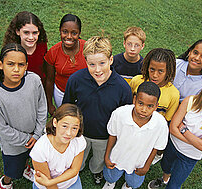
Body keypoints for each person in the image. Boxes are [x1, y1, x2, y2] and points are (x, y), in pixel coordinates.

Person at [63, 36, 133, 184]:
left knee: (99, 158)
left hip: (104, 136)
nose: (98, 69)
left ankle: (96, 171)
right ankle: (77, 168)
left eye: (102, 63)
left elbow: (124, 117)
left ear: (111, 60)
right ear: (86, 62)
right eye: (92, 64)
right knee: (78, 157)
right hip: (79, 133)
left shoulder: (122, 88)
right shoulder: (76, 80)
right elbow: (67, 106)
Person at [148, 74, 202, 189]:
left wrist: (184, 130)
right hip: (172, 145)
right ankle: (164, 178)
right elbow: (173, 129)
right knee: (165, 166)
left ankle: (169, 183)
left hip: (189, 156)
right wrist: (197, 141)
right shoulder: (190, 100)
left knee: (174, 185)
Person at [0, 43, 47, 189]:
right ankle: (6, 183)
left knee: (33, 157)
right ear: (1, 65)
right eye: (10, 64)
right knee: (13, 169)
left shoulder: (34, 80)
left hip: (36, 136)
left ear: (26, 66)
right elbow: (2, 129)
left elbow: (42, 107)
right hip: (13, 145)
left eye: (21, 65)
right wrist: (28, 139)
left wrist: (37, 134)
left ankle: (26, 168)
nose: (16, 69)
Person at [103, 81, 169, 189]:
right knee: (111, 176)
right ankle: (110, 183)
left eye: (150, 106)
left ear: (156, 106)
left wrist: (146, 166)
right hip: (117, 157)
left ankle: (128, 186)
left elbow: (156, 147)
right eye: (141, 103)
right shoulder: (119, 114)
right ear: (134, 99)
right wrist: (107, 156)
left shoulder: (161, 124)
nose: (144, 110)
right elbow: (112, 135)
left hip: (138, 163)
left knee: (134, 182)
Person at [30, 103, 86, 189]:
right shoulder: (40, 149)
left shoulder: (79, 141)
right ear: (55, 122)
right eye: (64, 126)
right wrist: (49, 183)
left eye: (74, 128)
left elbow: (74, 170)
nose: (69, 133)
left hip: (71, 182)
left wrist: (50, 182)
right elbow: (47, 183)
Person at [45, 14, 87, 115]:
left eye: (74, 33)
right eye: (65, 32)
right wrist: (50, 104)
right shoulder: (53, 52)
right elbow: (49, 81)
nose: (69, 37)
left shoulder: (87, 48)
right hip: (62, 93)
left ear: (79, 33)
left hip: (85, 92)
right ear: (60, 31)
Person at [129, 48, 180, 122]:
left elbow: (167, 121)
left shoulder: (174, 94)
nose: (155, 75)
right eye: (152, 69)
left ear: (168, 71)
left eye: (160, 71)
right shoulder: (136, 81)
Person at [3, 11, 48, 84]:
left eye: (34, 33)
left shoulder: (42, 45)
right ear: (17, 31)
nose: (31, 37)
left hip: (40, 85)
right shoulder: (12, 52)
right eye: (26, 32)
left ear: (39, 32)